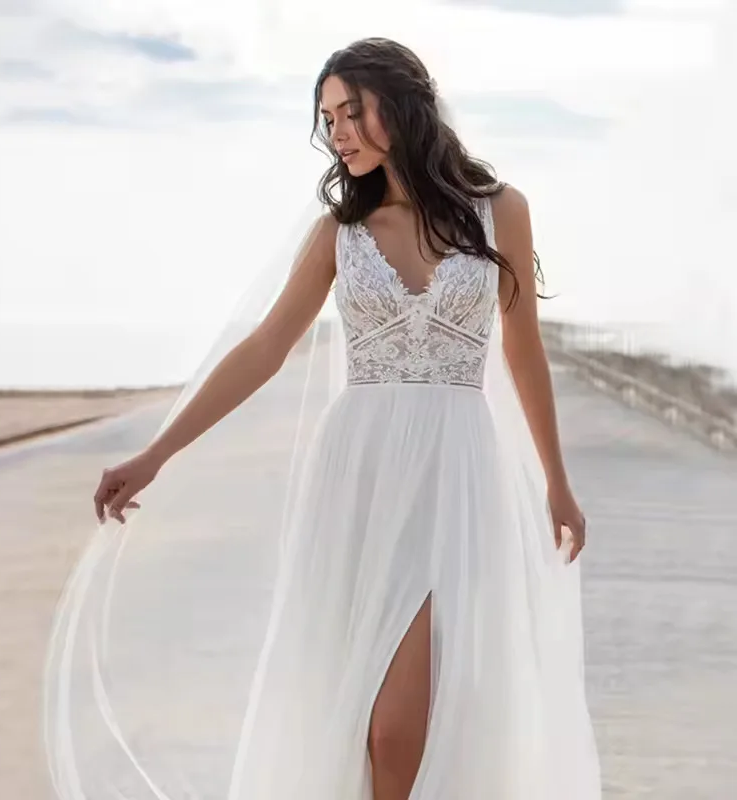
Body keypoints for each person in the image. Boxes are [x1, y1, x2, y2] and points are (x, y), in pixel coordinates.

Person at [82, 36, 600, 800]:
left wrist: (557, 481)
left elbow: (524, 356)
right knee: (354, 716)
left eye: (352, 111)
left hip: (456, 476)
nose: (339, 132)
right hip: (357, 479)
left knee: (400, 728)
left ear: (406, 104)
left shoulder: (502, 213)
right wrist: (156, 454)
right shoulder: (339, 234)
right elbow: (263, 350)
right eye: (328, 118)